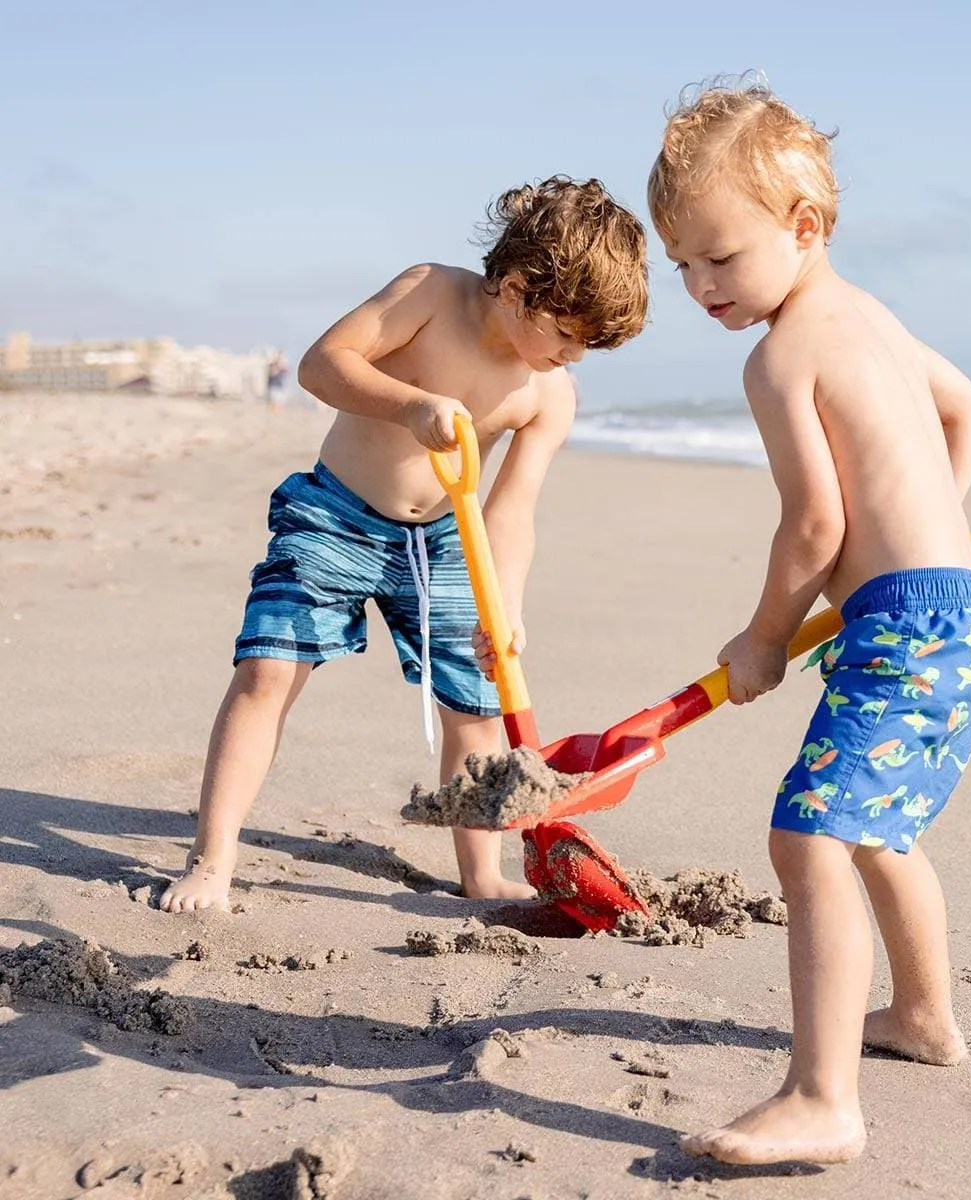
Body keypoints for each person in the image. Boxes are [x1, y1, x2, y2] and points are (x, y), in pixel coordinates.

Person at [647, 80, 971, 1165]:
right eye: (682, 266)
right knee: (873, 826)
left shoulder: (781, 355)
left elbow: (813, 523)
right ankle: (924, 1018)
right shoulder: (877, 320)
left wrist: (764, 636)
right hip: (964, 613)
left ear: (803, 228)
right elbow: (968, 408)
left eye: (720, 257)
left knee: (806, 834)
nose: (700, 285)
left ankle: (823, 1100)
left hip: (905, 627)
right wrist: (939, 521)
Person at [160, 177, 648, 913]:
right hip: (336, 516)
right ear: (517, 287)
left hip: (449, 542)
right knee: (267, 672)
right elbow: (324, 363)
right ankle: (212, 857)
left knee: (477, 708)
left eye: (589, 347)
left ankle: (481, 872)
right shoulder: (429, 294)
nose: (573, 358)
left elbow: (512, 512)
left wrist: (505, 608)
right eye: (569, 335)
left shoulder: (549, 394)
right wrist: (411, 404)